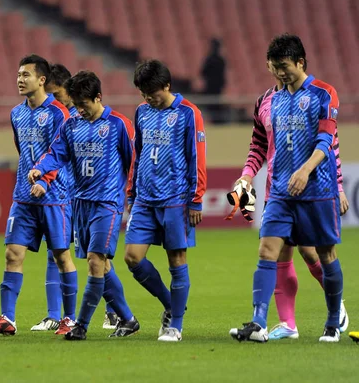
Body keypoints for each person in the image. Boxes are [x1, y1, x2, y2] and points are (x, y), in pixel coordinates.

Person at [230, 34, 344, 343]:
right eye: (273, 67)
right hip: (279, 191)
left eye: (284, 66)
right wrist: (245, 176)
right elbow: (258, 145)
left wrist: (306, 170)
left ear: (300, 62)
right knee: (267, 250)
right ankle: (258, 321)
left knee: (324, 254)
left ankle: (334, 321)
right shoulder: (267, 100)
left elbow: (326, 140)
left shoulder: (324, 94)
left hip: (317, 190)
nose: (279, 73)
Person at [29, 70, 139, 341]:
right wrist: (40, 169)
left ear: (98, 97)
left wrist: (133, 197)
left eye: (84, 104)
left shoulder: (118, 124)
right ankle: (127, 318)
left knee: (94, 261)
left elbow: (132, 163)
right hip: (80, 203)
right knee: (103, 266)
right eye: (76, 104)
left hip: (108, 203)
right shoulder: (71, 124)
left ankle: (81, 325)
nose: (80, 110)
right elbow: (57, 153)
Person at [0, 55, 78, 336]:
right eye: (18, 74)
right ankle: (7, 318)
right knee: (12, 253)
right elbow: (23, 150)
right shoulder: (16, 113)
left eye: (26, 75)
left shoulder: (59, 113)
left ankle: (69, 318)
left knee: (62, 256)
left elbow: (62, 153)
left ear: (42, 80)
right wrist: (30, 178)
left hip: (54, 196)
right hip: (23, 196)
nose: (20, 79)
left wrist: (46, 179)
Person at [123, 60, 207, 342]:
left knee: (176, 259)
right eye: (143, 92)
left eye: (152, 92)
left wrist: (196, 199)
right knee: (132, 258)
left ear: (167, 86)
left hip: (175, 199)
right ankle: (172, 305)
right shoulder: (142, 112)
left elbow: (197, 156)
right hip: (145, 199)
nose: (148, 98)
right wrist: (131, 193)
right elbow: (138, 154)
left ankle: (176, 325)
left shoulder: (188, 113)